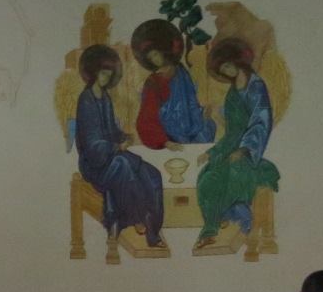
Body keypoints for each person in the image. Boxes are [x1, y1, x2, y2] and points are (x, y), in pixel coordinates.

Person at [74, 44, 166, 247]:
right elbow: (92, 144)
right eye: (102, 74)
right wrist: (116, 147)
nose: (105, 79)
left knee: (151, 174)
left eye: (108, 75)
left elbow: (113, 131)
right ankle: (139, 219)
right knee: (123, 166)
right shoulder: (86, 100)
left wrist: (125, 137)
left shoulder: (105, 98)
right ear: (93, 72)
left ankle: (153, 229)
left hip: (113, 156)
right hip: (94, 164)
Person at [194, 38, 280, 251]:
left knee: (233, 173)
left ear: (237, 61)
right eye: (223, 69)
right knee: (207, 178)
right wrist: (213, 151)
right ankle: (214, 225)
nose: (228, 71)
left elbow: (261, 122)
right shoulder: (232, 94)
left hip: (250, 153)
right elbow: (232, 132)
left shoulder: (256, 86)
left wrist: (243, 149)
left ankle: (221, 227)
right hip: (232, 148)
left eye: (228, 65)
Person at [131, 18, 217, 150]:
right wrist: (165, 142)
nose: (154, 60)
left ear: (163, 50)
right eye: (150, 58)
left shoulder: (181, 71)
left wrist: (202, 115)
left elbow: (191, 102)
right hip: (169, 136)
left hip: (192, 128)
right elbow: (147, 118)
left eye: (155, 54)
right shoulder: (154, 82)